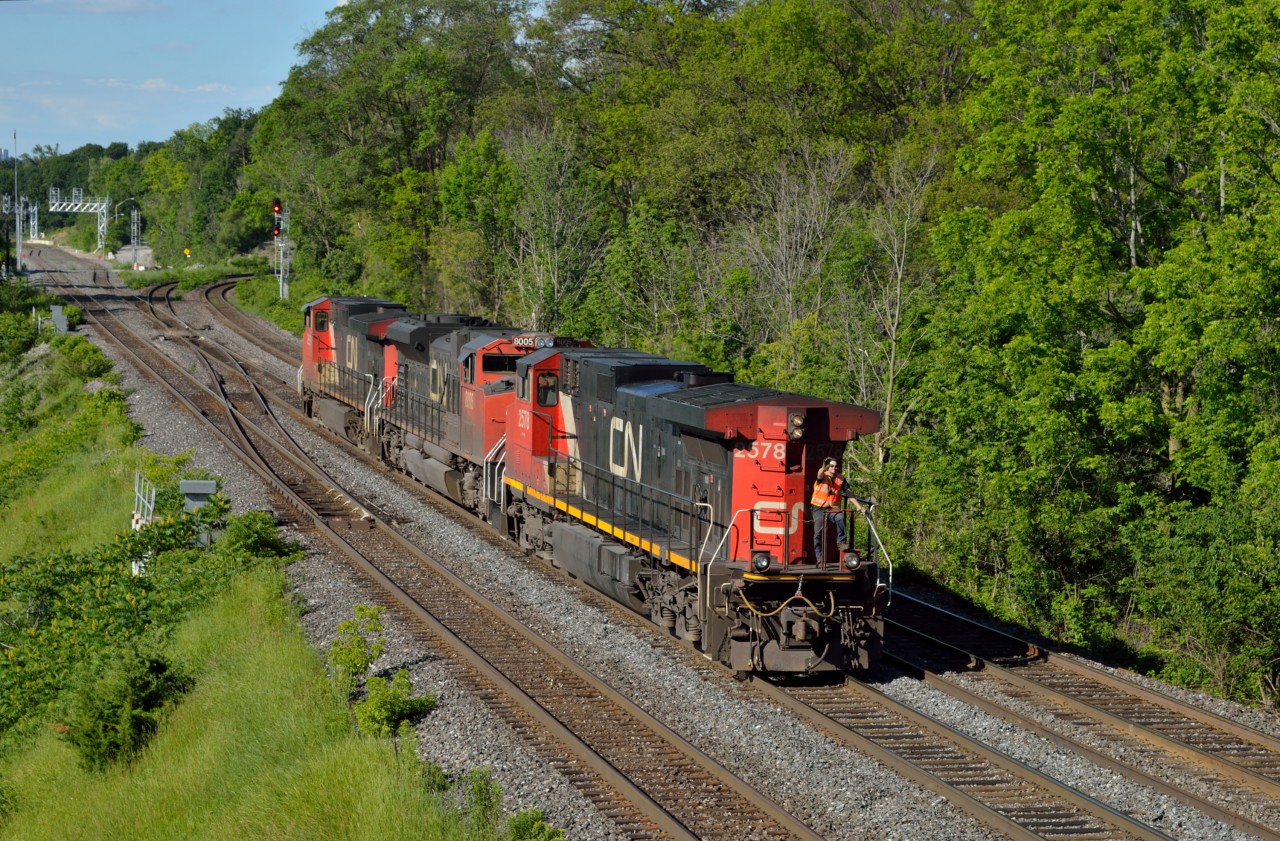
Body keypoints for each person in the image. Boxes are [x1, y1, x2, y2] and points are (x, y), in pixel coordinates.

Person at [811, 457, 863, 559]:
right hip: (819, 508)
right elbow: (819, 474)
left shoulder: (841, 478)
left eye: (835, 466)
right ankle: (819, 558)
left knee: (840, 517)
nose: (834, 468)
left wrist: (859, 506)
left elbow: (848, 492)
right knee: (818, 533)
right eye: (831, 466)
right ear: (827, 467)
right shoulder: (823, 476)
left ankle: (841, 543)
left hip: (832, 508)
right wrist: (823, 467)